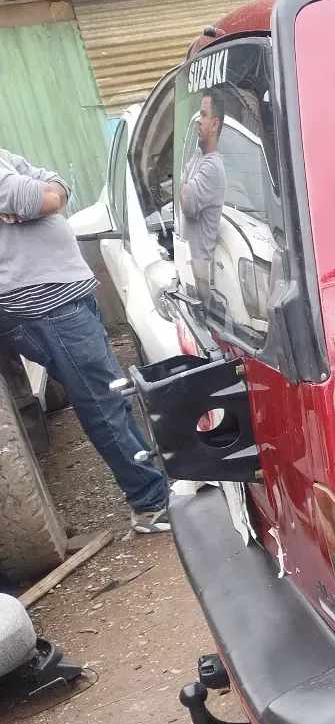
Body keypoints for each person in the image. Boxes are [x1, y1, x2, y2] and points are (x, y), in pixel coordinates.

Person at [0, 148, 170, 532]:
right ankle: (150, 504)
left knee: (112, 395)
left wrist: (44, 197)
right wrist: (39, 198)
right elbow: (40, 197)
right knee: (102, 402)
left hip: (62, 293)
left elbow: (57, 185)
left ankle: (151, 487)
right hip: (44, 300)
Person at [178, 88, 228, 303]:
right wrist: (183, 184)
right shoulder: (199, 156)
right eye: (199, 115)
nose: (199, 120)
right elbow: (181, 186)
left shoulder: (212, 168)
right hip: (187, 263)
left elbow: (186, 201)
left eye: (204, 115)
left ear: (215, 124)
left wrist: (182, 184)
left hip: (199, 270)